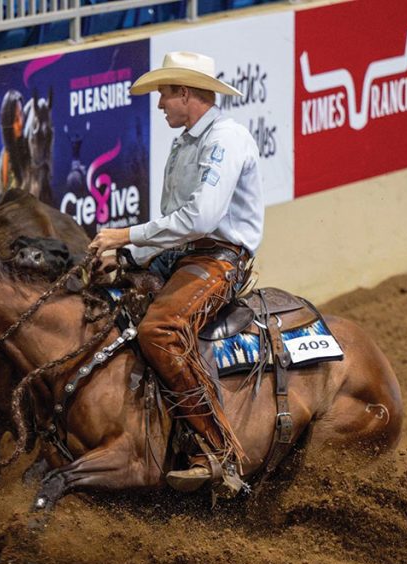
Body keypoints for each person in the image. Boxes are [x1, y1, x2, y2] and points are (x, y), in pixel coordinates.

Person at [89, 51, 263, 493]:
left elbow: (200, 219)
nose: (160, 103)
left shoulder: (226, 139)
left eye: (165, 94)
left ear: (185, 94)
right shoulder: (185, 143)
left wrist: (125, 236)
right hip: (183, 255)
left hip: (219, 258)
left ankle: (219, 451)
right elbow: (176, 224)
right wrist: (130, 256)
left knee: (160, 331)